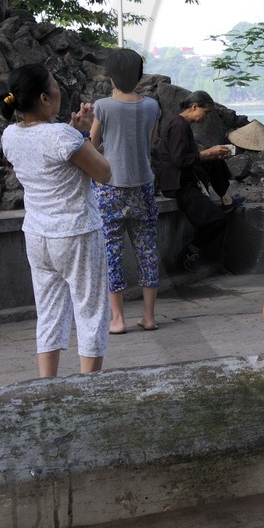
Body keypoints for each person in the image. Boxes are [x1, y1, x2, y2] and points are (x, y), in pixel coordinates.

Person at [0, 63, 114, 377]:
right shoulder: (63, 135)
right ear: (44, 98)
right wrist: (83, 134)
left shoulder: (9, 135)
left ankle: (46, 388)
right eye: (54, 85)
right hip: (76, 233)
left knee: (49, 311)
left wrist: (76, 135)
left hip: (37, 235)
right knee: (91, 311)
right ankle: (88, 389)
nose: (59, 89)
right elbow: (103, 172)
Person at [89, 48, 163, 333]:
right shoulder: (152, 106)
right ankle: (149, 316)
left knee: (112, 252)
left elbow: (92, 146)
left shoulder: (103, 106)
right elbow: (150, 143)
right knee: (147, 251)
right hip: (143, 186)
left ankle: (117, 319)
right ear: (139, 75)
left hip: (110, 189)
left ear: (110, 76)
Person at [156, 90, 237, 270]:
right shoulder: (179, 126)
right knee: (218, 220)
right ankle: (192, 249)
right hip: (177, 183)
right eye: (206, 112)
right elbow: (179, 160)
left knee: (216, 158)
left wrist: (212, 154)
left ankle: (226, 198)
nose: (207, 117)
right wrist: (207, 153)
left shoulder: (181, 124)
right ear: (194, 107)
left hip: (185, 174)